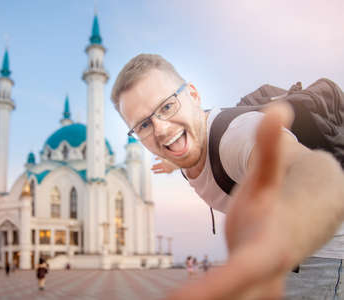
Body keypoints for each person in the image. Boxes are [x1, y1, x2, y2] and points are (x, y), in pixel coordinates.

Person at [111, 53, 344, 299]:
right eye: (144, 125)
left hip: (318, 257)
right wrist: (171, 163)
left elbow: (316, 176)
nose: (161, 129)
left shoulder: (238, 136)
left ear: (193, 94)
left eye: (167, 107)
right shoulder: (184, 142)